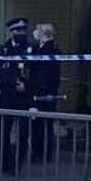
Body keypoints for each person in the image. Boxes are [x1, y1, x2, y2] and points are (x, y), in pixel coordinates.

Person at [0, 17, 33, 176]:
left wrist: (27, 86)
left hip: (23, 96)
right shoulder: (4, 49)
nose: (21, 33)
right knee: (0, 131)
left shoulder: (31, 49)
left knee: (22, 133)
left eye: (23, 30)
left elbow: (35, 72)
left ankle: (17, 165)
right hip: (7, 95)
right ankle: (3, 162)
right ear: (12, 32)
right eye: (18, 30)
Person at [28, 21, 61, 164]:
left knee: (45, 125)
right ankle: (37, 151)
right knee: (36, 123)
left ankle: (44, 153)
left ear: (44, 33)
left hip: (46, 92)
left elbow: (49, 75)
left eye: (37, 30)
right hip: (36, 91)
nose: (35, 32)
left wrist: (48, 92)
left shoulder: (52, 49)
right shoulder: (37, 47)